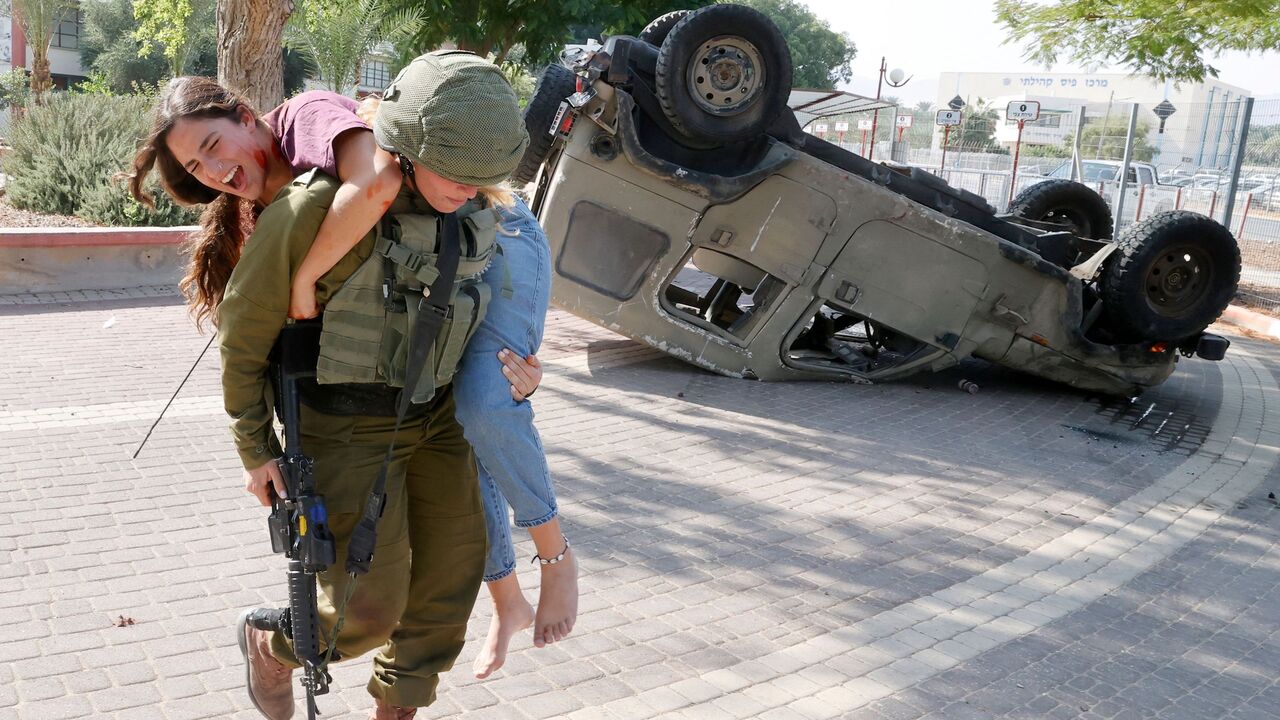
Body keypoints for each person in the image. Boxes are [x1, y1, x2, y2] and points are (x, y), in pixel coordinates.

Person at [125, 53, 532, 720]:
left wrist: (522, 363)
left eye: (212, 149)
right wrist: (255, 447)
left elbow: (492, 300)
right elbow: (245, 338)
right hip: (344, 425)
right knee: (360, 617)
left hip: (433, 420)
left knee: (443, 600)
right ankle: (268, 644)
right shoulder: (310, 205)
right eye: (200, 163)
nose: (217, 171)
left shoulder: (459, 199)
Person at [275, 88, 577, 678]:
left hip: (500, 229)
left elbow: (375, 180)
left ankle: (555, 554)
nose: (221, 171)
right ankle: (507, 601)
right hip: (433, 268)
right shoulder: (290, 182)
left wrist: (307, 273)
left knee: (488, 403)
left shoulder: (321, 119)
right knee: (456, 419)